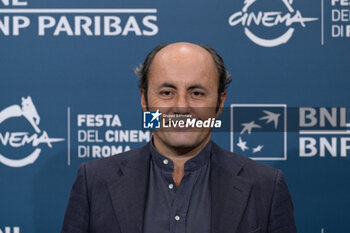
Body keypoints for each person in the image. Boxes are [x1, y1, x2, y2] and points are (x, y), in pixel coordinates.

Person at [61, 42, 297, 233]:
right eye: (167, 92)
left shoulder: (266, 186)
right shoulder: (94, 181)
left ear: (220, 102)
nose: (181, 107)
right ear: (144, 100)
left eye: (196, 93)